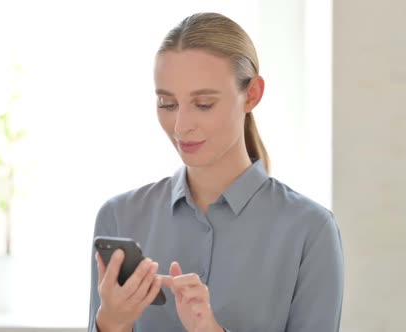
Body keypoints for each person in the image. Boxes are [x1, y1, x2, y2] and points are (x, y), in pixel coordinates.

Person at [88, 12, 344, 332]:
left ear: (251, 94)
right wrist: (112, 322)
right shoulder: (120, 216)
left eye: (204, 104)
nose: (181, 126)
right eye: (167, 104)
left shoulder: (310, 230)